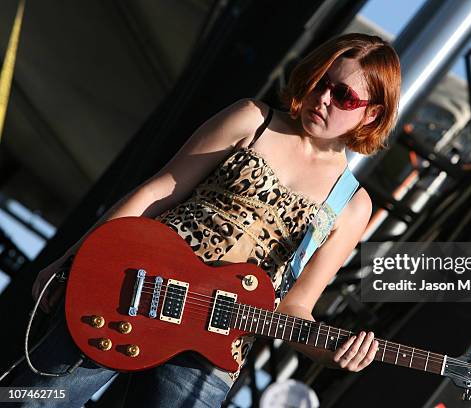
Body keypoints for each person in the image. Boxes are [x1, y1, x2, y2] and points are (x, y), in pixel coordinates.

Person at [7, 32, 401, 407]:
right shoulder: (253, 120)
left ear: (372, 114)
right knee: (32, 400)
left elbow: (295, 307)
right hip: (138, 286)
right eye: (321, 82)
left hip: (216, 343)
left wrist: (332, 354)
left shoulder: (351, 206)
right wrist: (75, 258)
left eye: (344, 95)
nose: (323, 97)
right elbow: (158, 192)